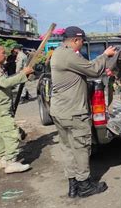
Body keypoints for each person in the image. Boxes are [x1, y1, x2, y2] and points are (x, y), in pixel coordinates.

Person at [50, 26, 117, 198]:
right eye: (81, 42)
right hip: (74, 112)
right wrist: (105, 55)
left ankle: (73, 185)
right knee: (81, 148)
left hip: (60, 111)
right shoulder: (69, 55)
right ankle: (85, 185)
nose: (81, 45)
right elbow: (93, 70)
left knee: (68, 148)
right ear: (75, 40)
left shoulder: (58, 52)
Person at [0, 43, 34, 173]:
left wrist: (22, 76)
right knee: (11, 133)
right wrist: (22, 73)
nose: (5, 55)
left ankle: (2, 159)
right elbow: (4, 82)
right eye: (3, 53)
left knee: (1, 134)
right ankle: (11, 162)